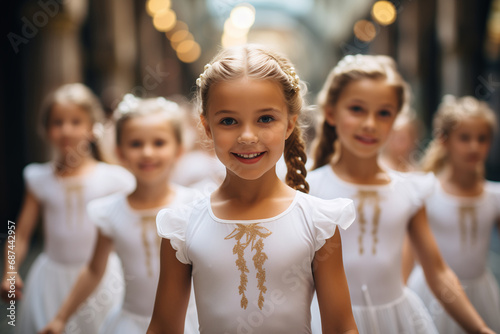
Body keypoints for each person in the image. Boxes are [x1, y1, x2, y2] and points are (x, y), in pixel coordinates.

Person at [147, 44, 359, 334]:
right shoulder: (182, 227)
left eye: (265, 119)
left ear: (289, 124)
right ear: (207, 127)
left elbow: (342, 328)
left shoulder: (318, 223)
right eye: (229, 121)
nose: (247, 136)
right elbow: (162, 328)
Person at [308, 54, 495, 334]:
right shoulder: (310, 188)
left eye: (383, 113)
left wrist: (480, 329)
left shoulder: (410, 190)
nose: (370, 123)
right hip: (327, 321)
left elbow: (438, 272)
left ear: (395, 118)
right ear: (332, 112)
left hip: (398, 321)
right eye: (357, 109)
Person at [39, 94, 200, 334]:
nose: (147, 152)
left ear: (178, 149)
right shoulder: (110, 211)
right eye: (136, 144)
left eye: (159, 143)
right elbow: (94, 270)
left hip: (188, 323)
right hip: (130, 323)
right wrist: (61, 317)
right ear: (120, 152)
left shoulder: (193, 204)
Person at [1, 83, 135, 333]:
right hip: (50, 282)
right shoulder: (38, 178)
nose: (66, 131)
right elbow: (19, 234)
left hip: (103, 281)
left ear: (92, 127)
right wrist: (10, 270)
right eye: (57, 122)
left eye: (76, 122)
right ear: (46, 129)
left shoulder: (115, 180)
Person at [407, 95, 500, 333]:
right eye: (464, 138)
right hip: (432, 294)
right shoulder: (425, 191)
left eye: (482, 139)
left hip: (482, 293)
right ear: (444, 140)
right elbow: (409, 253)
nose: (474, 147)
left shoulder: (494, 196)